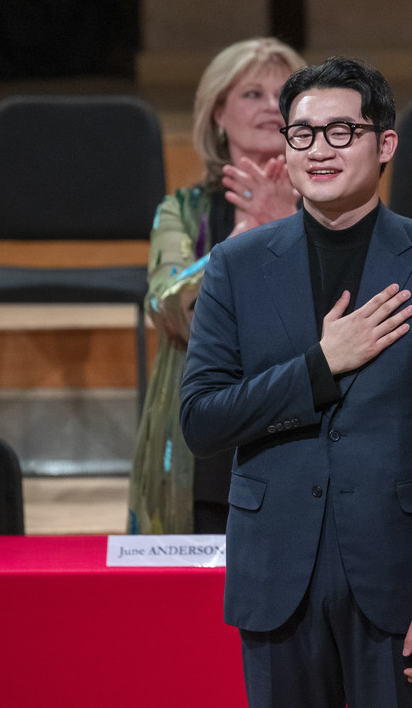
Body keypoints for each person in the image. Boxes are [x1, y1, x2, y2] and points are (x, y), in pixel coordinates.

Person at [180, 56, 412, 706]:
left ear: (384, 144)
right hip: (275, 580)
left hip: (402, 585)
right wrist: (318, 368)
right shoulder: (235, 267)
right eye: (301, 133)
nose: (318, 149)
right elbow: (202, 419)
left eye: (340, 132)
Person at [127, 38, 306, 535]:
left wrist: (287, 226)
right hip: (209, 444)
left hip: (308, 441)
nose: (272, 106)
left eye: (284, 95)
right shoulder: (182, 212)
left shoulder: (335, 208)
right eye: (252, 94)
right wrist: (249, 235)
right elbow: (169, 307)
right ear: (218, 116)